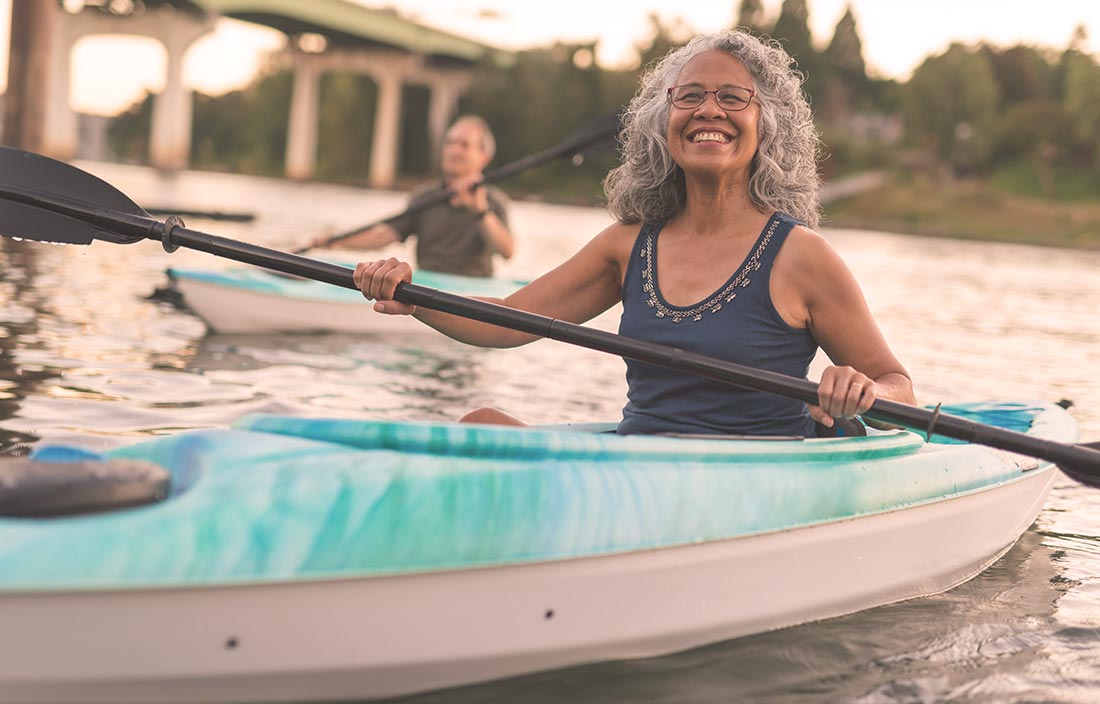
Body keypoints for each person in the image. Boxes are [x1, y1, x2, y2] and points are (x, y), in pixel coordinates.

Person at [353, 30, 915, 436]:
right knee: (479, 426)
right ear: (662, 120)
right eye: (689, 95)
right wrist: (410, 294)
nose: (708, 110)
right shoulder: (627, 244)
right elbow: (503, 322)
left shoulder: (803, 256)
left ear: (766, 123)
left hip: (750, 478)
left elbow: (897, 384)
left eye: (732, 97)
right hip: (640, 469)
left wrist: (864, 393)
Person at [321, 115, 514, 278]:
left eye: (464, 145)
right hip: (429, 286)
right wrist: (337, 241)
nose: (454, 150)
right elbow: (384, 235)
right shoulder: (424, 196)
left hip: (473, 293)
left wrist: (480, 211)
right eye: (450, 143)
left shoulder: (495, 201)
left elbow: (507, 252)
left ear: (484, 157)